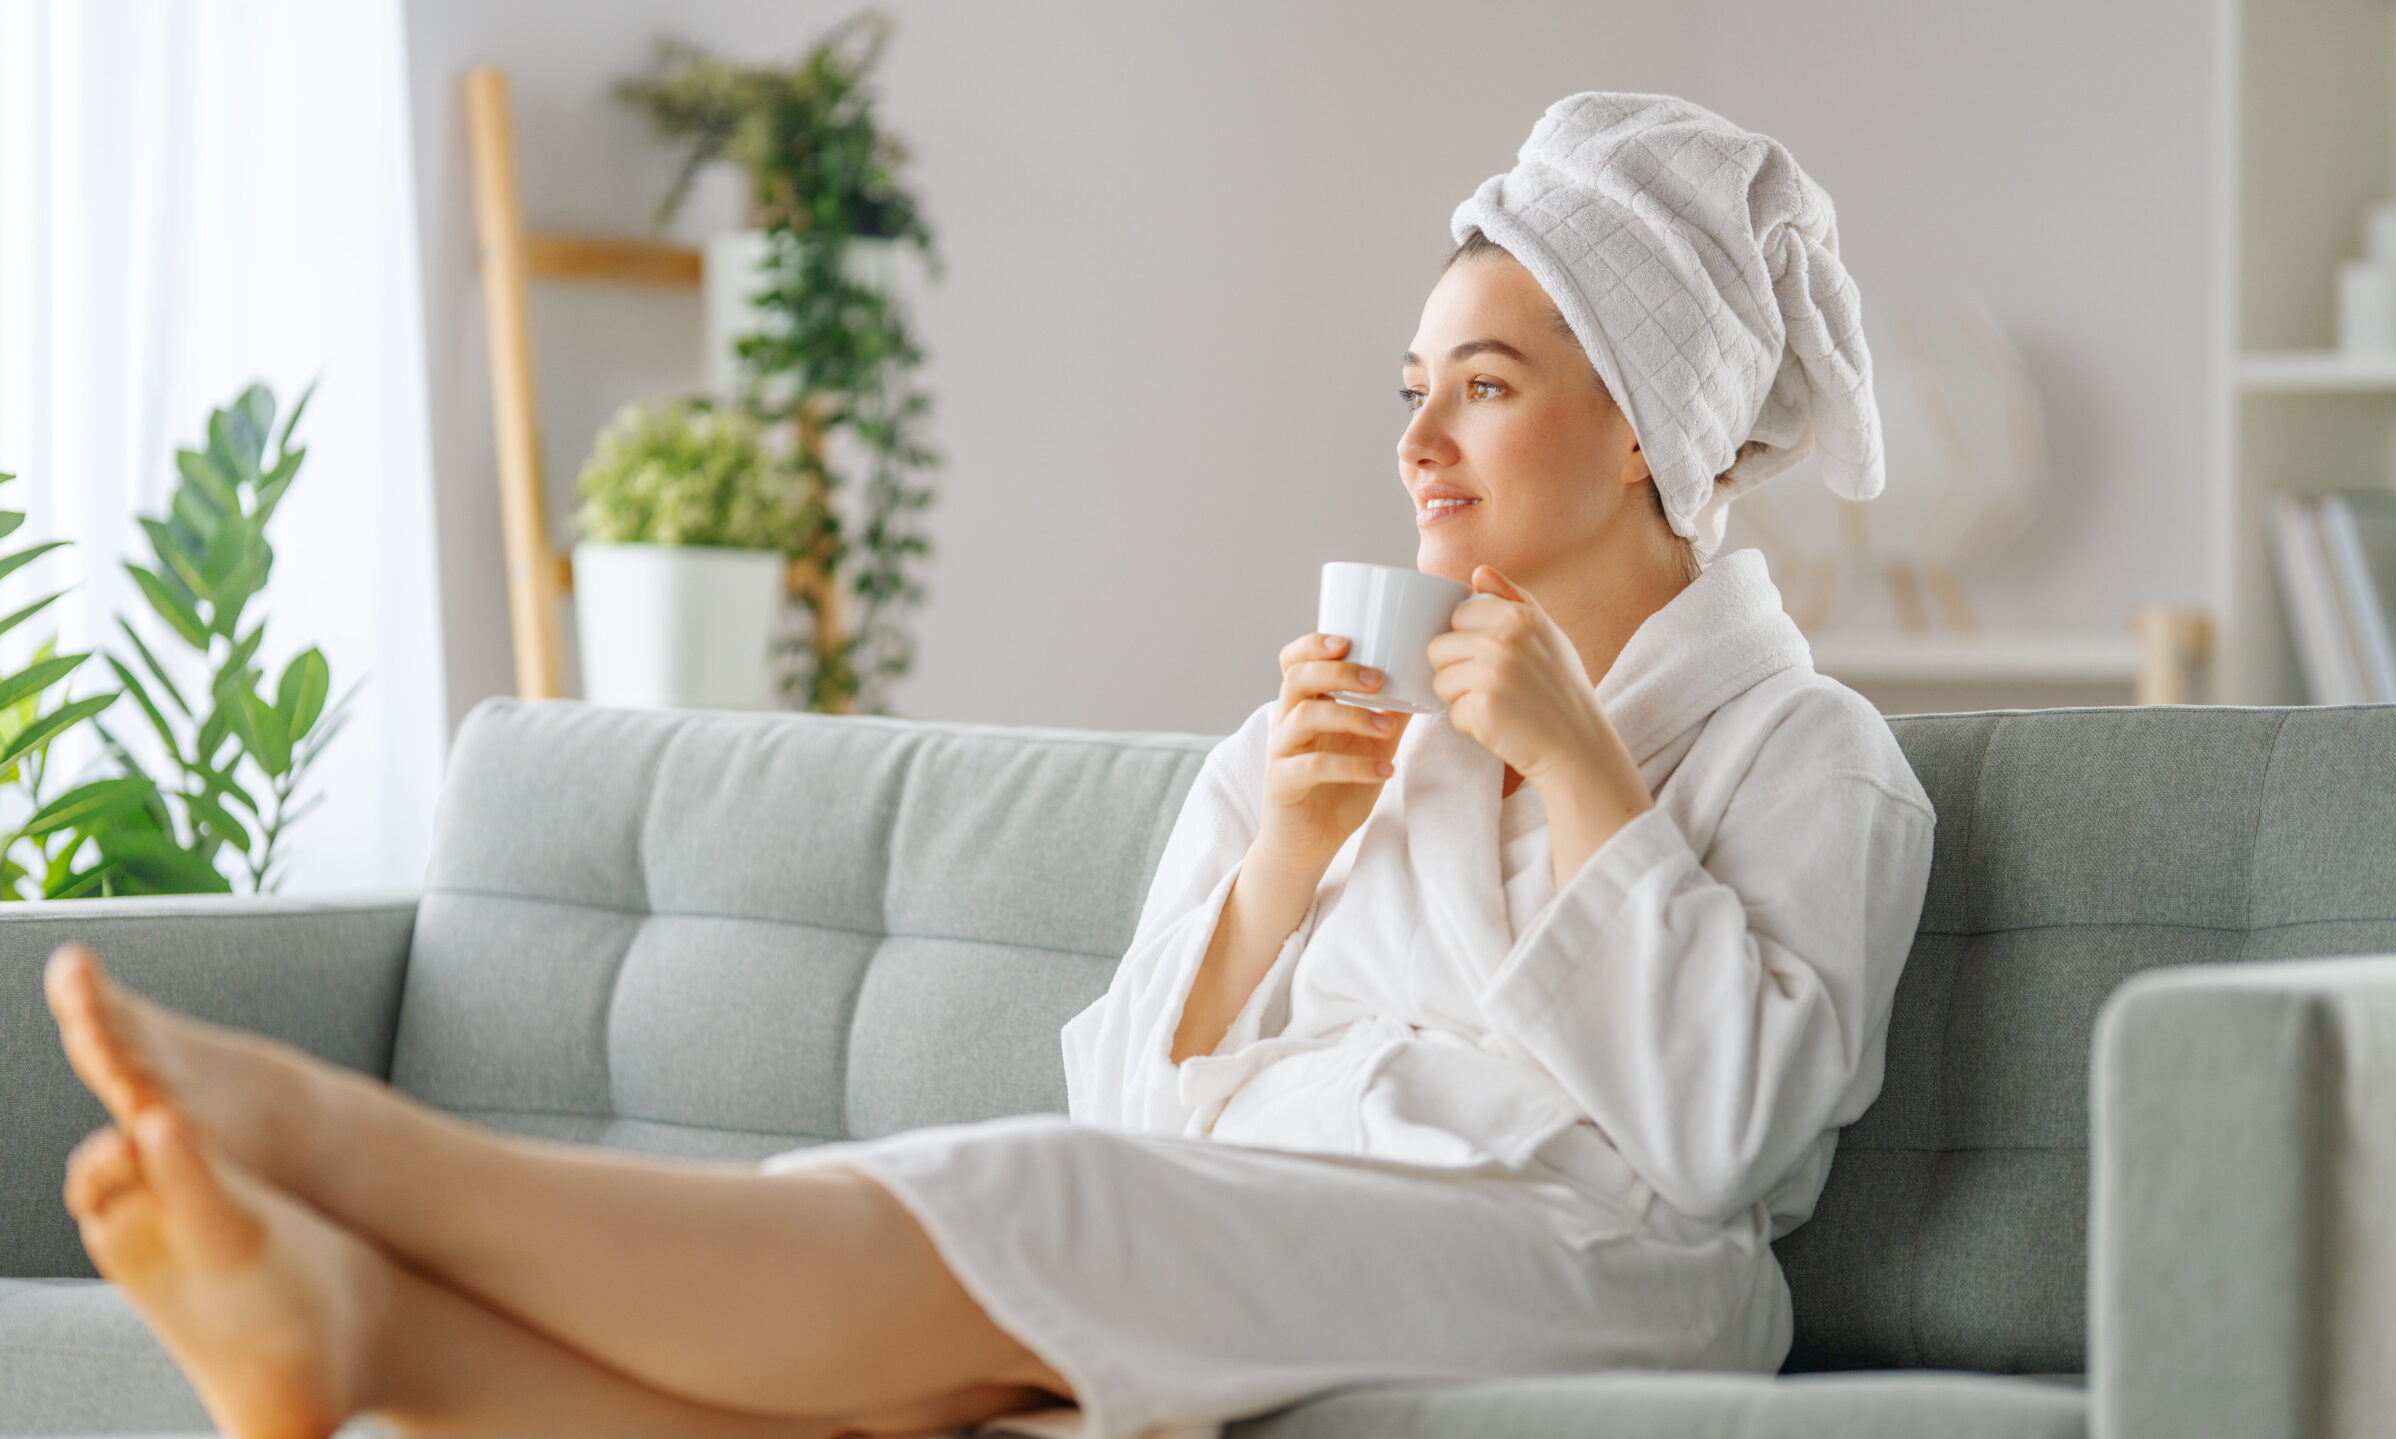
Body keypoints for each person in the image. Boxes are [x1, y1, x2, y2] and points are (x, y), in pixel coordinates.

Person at [43, 92, 1933, 1439]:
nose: (1421, 437)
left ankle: (368, 1166)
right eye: (1413, 386)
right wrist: (1282, 855)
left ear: (1646, 436)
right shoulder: (1346, 724)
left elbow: (1727, 1146)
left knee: (1053, 1208)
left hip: (1597, 1265)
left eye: (1489, 386)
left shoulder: (1807, 758)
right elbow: (1133, 1103)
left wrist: (1585, 771)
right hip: (1272, 1207)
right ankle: (367, 1335)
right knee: (925, 1394)